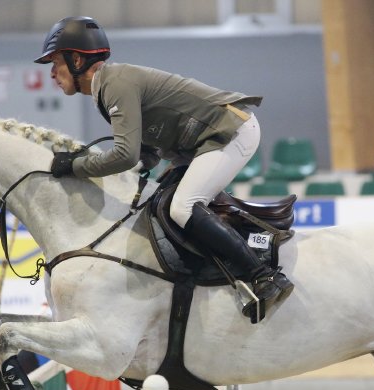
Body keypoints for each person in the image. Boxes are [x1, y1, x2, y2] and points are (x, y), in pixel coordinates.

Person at [35, 16, 292, 323]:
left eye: (55, 62)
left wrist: (74, 166)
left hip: (229, 130)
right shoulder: (108, 86)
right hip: (201, 143)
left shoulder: (114, 84)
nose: (51, 73)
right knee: (160, 202)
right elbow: (146, 154)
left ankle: (263, 276)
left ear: (76, 59)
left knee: (183, 207)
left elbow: (124, 156)